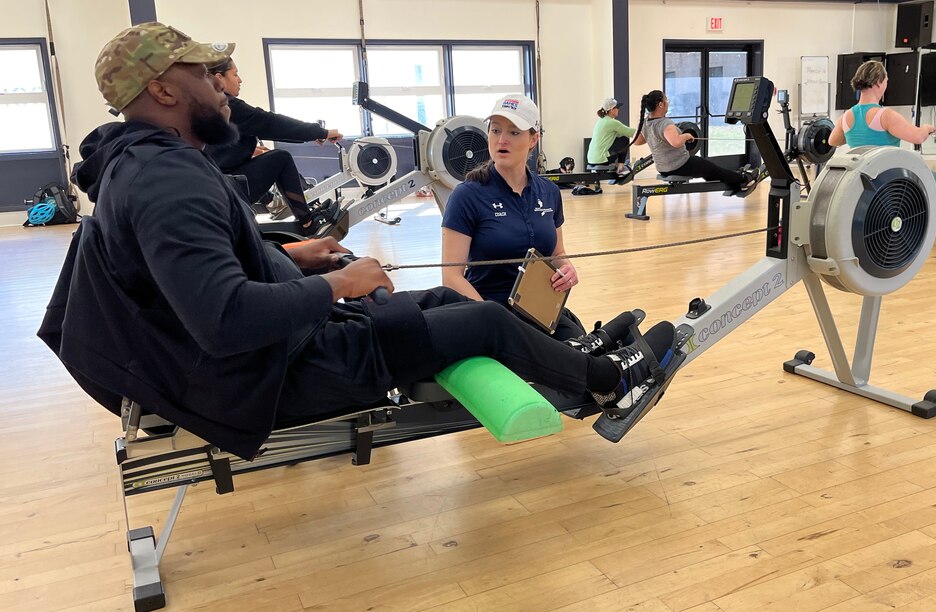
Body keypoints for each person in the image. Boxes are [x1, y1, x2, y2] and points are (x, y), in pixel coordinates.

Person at [38, 23, 677, 460]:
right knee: (482, 319)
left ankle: (566, 352)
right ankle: (605, 381)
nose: (223, 88)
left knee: (443, 303)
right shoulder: (167, 179)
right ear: (164, 90)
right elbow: (225, 319)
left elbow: (192, 272)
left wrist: (292, 256)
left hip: (287, 345)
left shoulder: (140, 163)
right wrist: (338, 284)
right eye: (205, 74)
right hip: (282, 370)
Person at [441, 94, 587, 341]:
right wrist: (495, 320)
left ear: (533, 139)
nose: (502, 140)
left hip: (538, 309)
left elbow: (557, 253)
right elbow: (451, 277)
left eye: (514, 132)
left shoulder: (549, 192)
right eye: (495, 130)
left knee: (584, 351)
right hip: (487, 312)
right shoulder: (467, 196)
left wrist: (567, 269)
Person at [205, 56, 343, 235]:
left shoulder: (205, 104)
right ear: (219, 78)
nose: (240, 79)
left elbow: (216, 144)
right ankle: (307, 223)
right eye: (235, 74)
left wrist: (249, 150)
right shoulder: (228, 105)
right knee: (281, 158)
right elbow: (269, 123)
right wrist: (320, 132)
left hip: (216, 186)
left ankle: (288, 211)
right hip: (227, 189)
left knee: (269, 157)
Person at [828, 60, 936, 213]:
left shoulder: (846, 116)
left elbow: (832, 141)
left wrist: (853, 133)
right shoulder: (885, 115)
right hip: (887, 175)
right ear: (878, 82)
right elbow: (917, 137)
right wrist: (926, 128)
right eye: (886, 81)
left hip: (861, 177)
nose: (886, 85)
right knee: (929, 176)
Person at [632, 90, 752, 190]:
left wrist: (653, 136)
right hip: (680, 165)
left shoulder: (646, 122)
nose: (668, 103)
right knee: (715, 169)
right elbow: (676, 142)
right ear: (660, 105)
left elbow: (637, 142)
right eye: (666, 100)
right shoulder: (665, 123)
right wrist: (686, 135)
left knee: (709, 169)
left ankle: (730, 180)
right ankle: (744, 179)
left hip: (663, 168)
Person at [587, 97, 636, 173]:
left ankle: (618, 164)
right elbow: (632, 133)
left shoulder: (601, 121)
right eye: (617, 108)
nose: (618, 109)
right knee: (625, 139)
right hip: (601, 160)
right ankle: (620, 166)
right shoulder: (612, 122)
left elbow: (619, 133)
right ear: (612, 109)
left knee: (620, 138)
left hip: (591, 159)